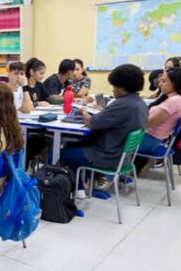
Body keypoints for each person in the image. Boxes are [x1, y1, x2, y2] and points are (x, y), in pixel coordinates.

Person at [60, 64, 148, 197]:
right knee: (77, 145)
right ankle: (80, 186)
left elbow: (91, 123)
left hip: (108, 157)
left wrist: (83, 111)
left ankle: (75, 190)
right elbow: (116, 118)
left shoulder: (123, 104)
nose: (113, 90)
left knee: (61, 153)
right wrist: (104, 112)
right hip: (124, 157)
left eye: (114, 87)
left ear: (122, 87)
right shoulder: (139, 103)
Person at [136, 67, 181, 173]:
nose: (159, 84)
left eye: (163, 81)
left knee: (108, 139)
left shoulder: (174, 101)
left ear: (175, 83)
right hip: (154, 139)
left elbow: (146, 124)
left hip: (149, 140)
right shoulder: (175, 98)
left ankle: (106, 175)